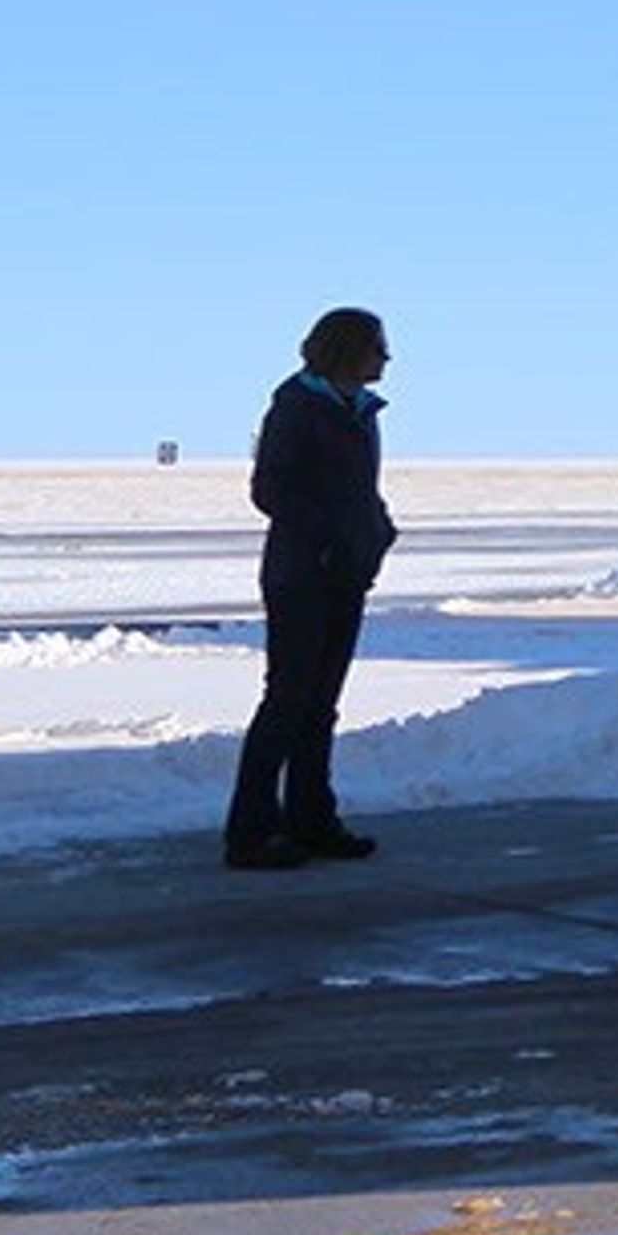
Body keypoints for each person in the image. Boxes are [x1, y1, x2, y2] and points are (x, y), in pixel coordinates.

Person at [223, 309, 400, 870]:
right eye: (377, 347)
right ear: (347, 350)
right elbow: (270, 488)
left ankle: (311, 818)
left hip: (345, 572)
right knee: (288, 699)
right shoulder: (297, 408)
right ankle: (250, 831)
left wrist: (376, 528)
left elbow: (355, 490)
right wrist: (327, 538)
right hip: (302, 576)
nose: (386, 358)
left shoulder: (359, 411)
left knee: (320, 704)